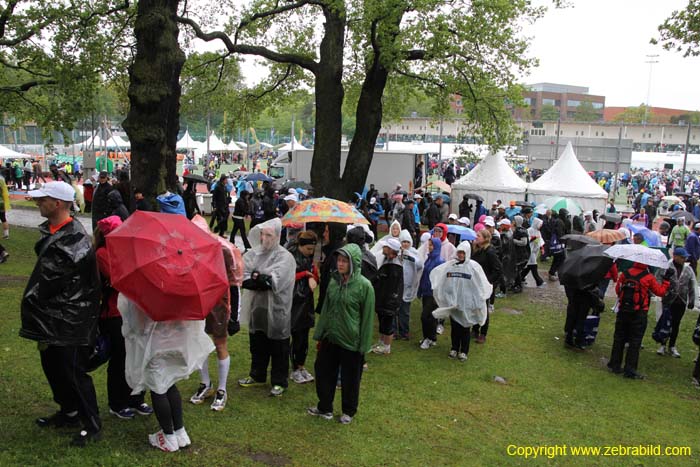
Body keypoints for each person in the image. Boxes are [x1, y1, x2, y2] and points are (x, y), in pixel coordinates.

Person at [21, 181, 102, 447]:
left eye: (42, 199)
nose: (37, 203)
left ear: (57, 203)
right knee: (53, 367)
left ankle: (91, 424)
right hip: (51, 316)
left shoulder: (74, 237)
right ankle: (68, 412)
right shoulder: (54, 231)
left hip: (71, 319)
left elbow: (54, 278)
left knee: (73, 372)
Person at [119, 294, 214, 452]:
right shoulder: (178, 284)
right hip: (176, 341)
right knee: (169, 383)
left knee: (158, 388)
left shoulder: (144, 289)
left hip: (154, 345)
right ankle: (180, 431)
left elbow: (137, 325)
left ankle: (168, 436)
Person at [93, 216, 153, 419]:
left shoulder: (127, 251)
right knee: (120, 358)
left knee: (138, 355)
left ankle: (136, 398)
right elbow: (120, 278)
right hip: (114, 313)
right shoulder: (102, 253)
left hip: (134, 310)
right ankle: (117, 402)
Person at [308, 243, 375, 424]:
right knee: (323, 371)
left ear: (354, 262)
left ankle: (348, 411)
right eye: (339, 260)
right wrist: (320, 334)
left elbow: (368, 318)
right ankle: (324, 407)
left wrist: (363, 346)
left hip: (351, 340)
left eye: (345, 261)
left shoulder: (364, 286)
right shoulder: (333, 282)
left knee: (350, 378)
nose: (340, 264)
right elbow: (327, 309)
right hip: (331, 337)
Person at [238, 218, 296, 396]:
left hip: (277, 310)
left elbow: (274, 281)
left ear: (277, 236)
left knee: (279, 347)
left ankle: (279, 381)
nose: (265, 238)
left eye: (269, 235)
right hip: (258, 309)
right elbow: (243, 275)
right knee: (257, 343)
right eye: (262, 234)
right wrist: (258, 279)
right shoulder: (254, 254)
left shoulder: (285, 257)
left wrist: (258, 278)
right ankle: (257, 375)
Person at [430, 241, 493, 361]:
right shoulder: (451, 265)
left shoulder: (473, 267)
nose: (460, 255)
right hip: (453, 302)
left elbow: (480, 283)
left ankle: (464, 351)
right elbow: (441, 277)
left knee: (465, 327)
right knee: (455, 327)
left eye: (463, 253)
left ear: (467, 253)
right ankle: (454, 348)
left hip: (467, 302)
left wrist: (479, 298)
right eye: (459, 252)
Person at [607, 261, 671, 380]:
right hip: (639, 312)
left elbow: (618, 290)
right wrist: (666, 281)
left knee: (619, 338)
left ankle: (614, 364)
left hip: (623, 310)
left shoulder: (625, 274)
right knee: (635, 341)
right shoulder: (648, 277)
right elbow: (660, 292)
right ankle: (630, 369)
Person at [287, 231, 319, 384]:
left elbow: (314, 275)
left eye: (312, 249)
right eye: (308, 249)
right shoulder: (290, 256)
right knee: (297, 335)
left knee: (304, 336)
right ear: (300, 246)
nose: (310, 252)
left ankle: (301, 366)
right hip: (294, 302)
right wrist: (306, 274)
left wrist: (313, 275)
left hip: (306, 302)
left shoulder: (308, 258)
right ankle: (295, 367)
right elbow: (286, 277)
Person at [654, 248, 696, 358]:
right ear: (675, 256)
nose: (684, 259)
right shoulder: (666, 266)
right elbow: (657, 279)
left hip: (681, 301)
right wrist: (662, 291)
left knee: (676, 324)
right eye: (682, 257)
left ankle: (672, 346)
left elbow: (692, 285)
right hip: (668, 300)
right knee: (665, 322)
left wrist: (691, 300)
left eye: (685, 257)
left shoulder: (688, 269)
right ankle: (662, 344)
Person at [372, 238, 403, 355]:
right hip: (382, 299)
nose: (383, 248)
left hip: (389, 301)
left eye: (385, 246)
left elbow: (393, 287)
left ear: (390, 250)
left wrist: (391, 302)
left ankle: (386, 346)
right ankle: (381, 342)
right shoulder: (387, 260)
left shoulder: (395, 267)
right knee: (382, 321)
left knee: (387, 324)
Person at [470, 229, 502, 343]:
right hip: (475, 284)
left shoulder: (490, 251)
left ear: (485, 238)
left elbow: (498, 269)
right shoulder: (476, 250)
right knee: (474, 306)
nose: (476, 237)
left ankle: (483, 333)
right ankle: (475, 329)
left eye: (478, 236)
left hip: (485, 285)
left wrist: (487, 281)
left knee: (483, 308)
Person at [418, 237, 444, 349]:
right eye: (429, 245)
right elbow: (424, 276)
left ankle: (427, 338)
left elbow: (440, 279)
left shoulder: (439, 261)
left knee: (425, 316)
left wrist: (436, 294)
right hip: (426, 292)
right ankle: (432, 338)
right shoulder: (429, 259)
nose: (429, 247)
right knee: (431, 316)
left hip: (433, 294)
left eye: (431, 245)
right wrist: (420, 290)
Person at [397, 230, 423, 340]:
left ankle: (404, 332)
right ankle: (393, 331)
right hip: (397, 285)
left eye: (408, 242)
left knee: (405, 310)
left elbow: (420, 264)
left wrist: (409, 255)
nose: (405, 244)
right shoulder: (396, 252)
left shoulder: (414, 252)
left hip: (408, 285)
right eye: (403, 242)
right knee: (395, 309)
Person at [521, 217, 545, 288]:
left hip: (535, 251)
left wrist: (542, 248)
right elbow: (526, 240)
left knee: (528, 266)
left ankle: (520, 278)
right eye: (540, 224)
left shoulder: (538, 231)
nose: (541, 226)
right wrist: (532, 238)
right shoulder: (529, 230)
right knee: (533, 265)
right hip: (529, 251)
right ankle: (539, 281)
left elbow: (540, 241)